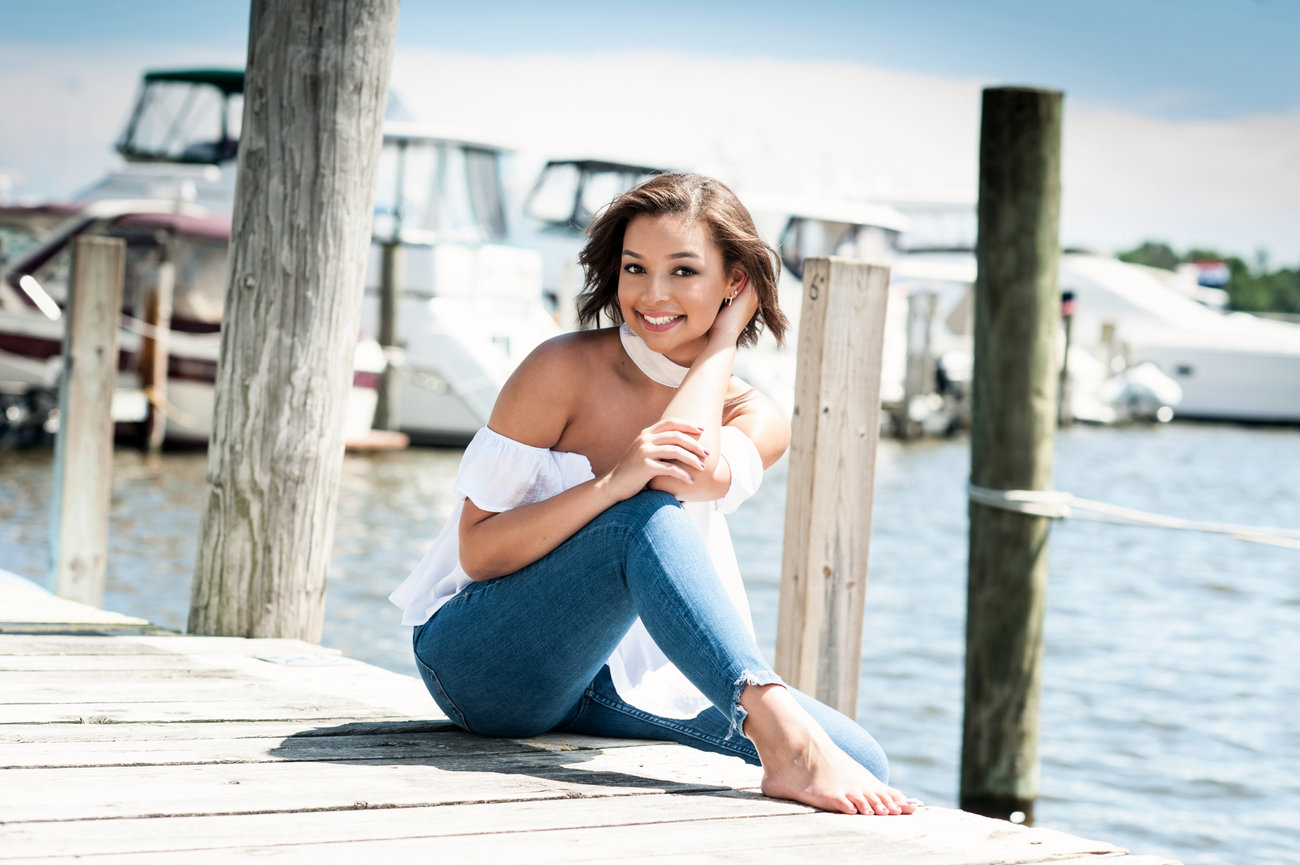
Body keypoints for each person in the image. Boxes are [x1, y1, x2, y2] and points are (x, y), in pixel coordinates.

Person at [390, 173, 917, 816]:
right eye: (635, 268)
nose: (653, 294)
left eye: (684, 271)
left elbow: (680, 473)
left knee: (861, 760)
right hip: (485, 661)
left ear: (735, 282)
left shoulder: (756, 417)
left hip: (606, 686)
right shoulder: (561, 369)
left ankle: (789, 744)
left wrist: (722, 343)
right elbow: (479, 553)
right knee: (638, 516)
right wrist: (611, 484)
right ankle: (787, 741)